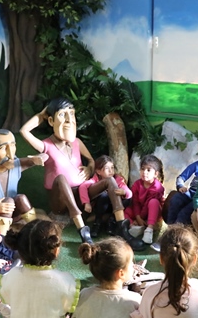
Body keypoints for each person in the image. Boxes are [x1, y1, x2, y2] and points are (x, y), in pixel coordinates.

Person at [20, 97, 144, 250]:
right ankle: (83, 231)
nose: (69, 119)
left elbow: (91, 161)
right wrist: (42, 114)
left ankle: (122, 228)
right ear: (51, 121)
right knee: (61, 179)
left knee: (110, 181)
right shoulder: (47, 145)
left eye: (71, 114)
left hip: (81, 193)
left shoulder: (77, 142)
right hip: (60, 201)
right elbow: (24, 131)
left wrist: (89, 168)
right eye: (62, 115)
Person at [0, 219, 80, 318]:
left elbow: (8, 299)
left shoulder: (10, 277)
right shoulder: (66, 281)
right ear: (56, 250)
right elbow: (68, 308)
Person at [70, 237, 142, 318]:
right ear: (121, 273)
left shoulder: (84, 295)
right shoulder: (135, 300)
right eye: (131, 263)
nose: (134, 266)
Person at [0, 129, 47, 235]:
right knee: (8, 201)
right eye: (3, 148)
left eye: (12, 146)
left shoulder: (15, 165)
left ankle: (36, 229)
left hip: (13, 212)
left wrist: (38, 158)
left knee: (21, 198)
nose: (10, 154)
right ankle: (1, 237)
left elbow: (38, 158)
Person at [78, 155, 132, 238]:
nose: (111, 171)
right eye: (107, 168)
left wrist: (124, 192)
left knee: (127, 199)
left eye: (112, 168)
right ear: (98, 171)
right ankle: (97, 223)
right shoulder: (95, 179)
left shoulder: (118, 179)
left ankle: (112, 221)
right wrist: (86, 203)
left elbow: (129, 193)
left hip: (114, 207)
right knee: (103, 196)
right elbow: (83, 186)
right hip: (101, 206)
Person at [125, 154, 165, 245]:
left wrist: (140, 218)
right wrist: (138, 217)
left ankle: (149, 230)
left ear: (156, 174)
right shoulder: (137, 184)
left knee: (153, 202)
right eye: (142, 169)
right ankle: (133, 226)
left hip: (153, 212)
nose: (144, 172)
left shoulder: (157, 187)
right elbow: (135, 202)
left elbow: (148, 204)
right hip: (140, 212)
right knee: (126, 211)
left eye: (148, 170)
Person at [165, 143, 198, 225]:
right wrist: (180, 186)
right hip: (192, 192)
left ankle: (178, 228)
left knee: (184, 213)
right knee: (175, 199)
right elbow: (181, 178)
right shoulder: (197, 164)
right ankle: (170, 226)